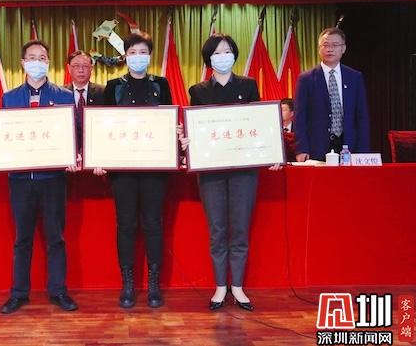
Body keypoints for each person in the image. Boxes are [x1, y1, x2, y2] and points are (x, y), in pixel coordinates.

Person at [0, 40, 79, 314]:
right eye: (31, 58)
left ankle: (58, 291)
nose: (37, 62)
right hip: (20, 181)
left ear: (49, 62)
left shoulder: (65, 96)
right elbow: (2, 136)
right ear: (22, 63)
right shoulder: (9, 98)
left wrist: (74, 154)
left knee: (56, 238)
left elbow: (74, 134)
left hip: (53, 180)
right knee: (22, 239)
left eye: (42, 57)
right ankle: (19, 293)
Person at [181, 33, 281, 312]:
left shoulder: (248, 85)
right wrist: (187, 139)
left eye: (227, 51)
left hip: (243, 169)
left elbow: (259, 124)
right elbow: (195, 127)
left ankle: (237, 286)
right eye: (216, 53)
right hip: (210, 169)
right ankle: (220, 286)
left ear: (235, 55)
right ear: (208, 59)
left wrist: (271, 152)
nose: (222, 57)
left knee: (240, 227)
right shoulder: (198, 90)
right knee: (217, 229)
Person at [101, 32, 173, 309]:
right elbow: (103, 127)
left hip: (155, 167)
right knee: (126, 224)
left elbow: (169, 119)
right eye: (132, 53)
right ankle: (128, 283)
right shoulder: (113, 87)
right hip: (123, 169)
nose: (138, 57)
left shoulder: (161, 84)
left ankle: (154, 283)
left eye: (143, 52)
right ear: (125, 56)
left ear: (150, 56)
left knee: (153, 223)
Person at [294, 27, 370, 162]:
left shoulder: (355, 77)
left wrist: (363, 150)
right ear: (319, 49)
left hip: (349, 146)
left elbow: (361, 116)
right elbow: (300, 117)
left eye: (335, 45)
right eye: (325, 45)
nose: (330, 49)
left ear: (343, 48)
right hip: (316, 147)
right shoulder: (306, 79)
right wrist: (302, 148)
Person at [64, 50, 105, 150]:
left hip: (97, 147)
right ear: (69, 68)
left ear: (91, 68)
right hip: (68, 148)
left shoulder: (103, 92)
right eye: (76, 66)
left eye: (85, 66)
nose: (81, 70)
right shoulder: (61, 93)